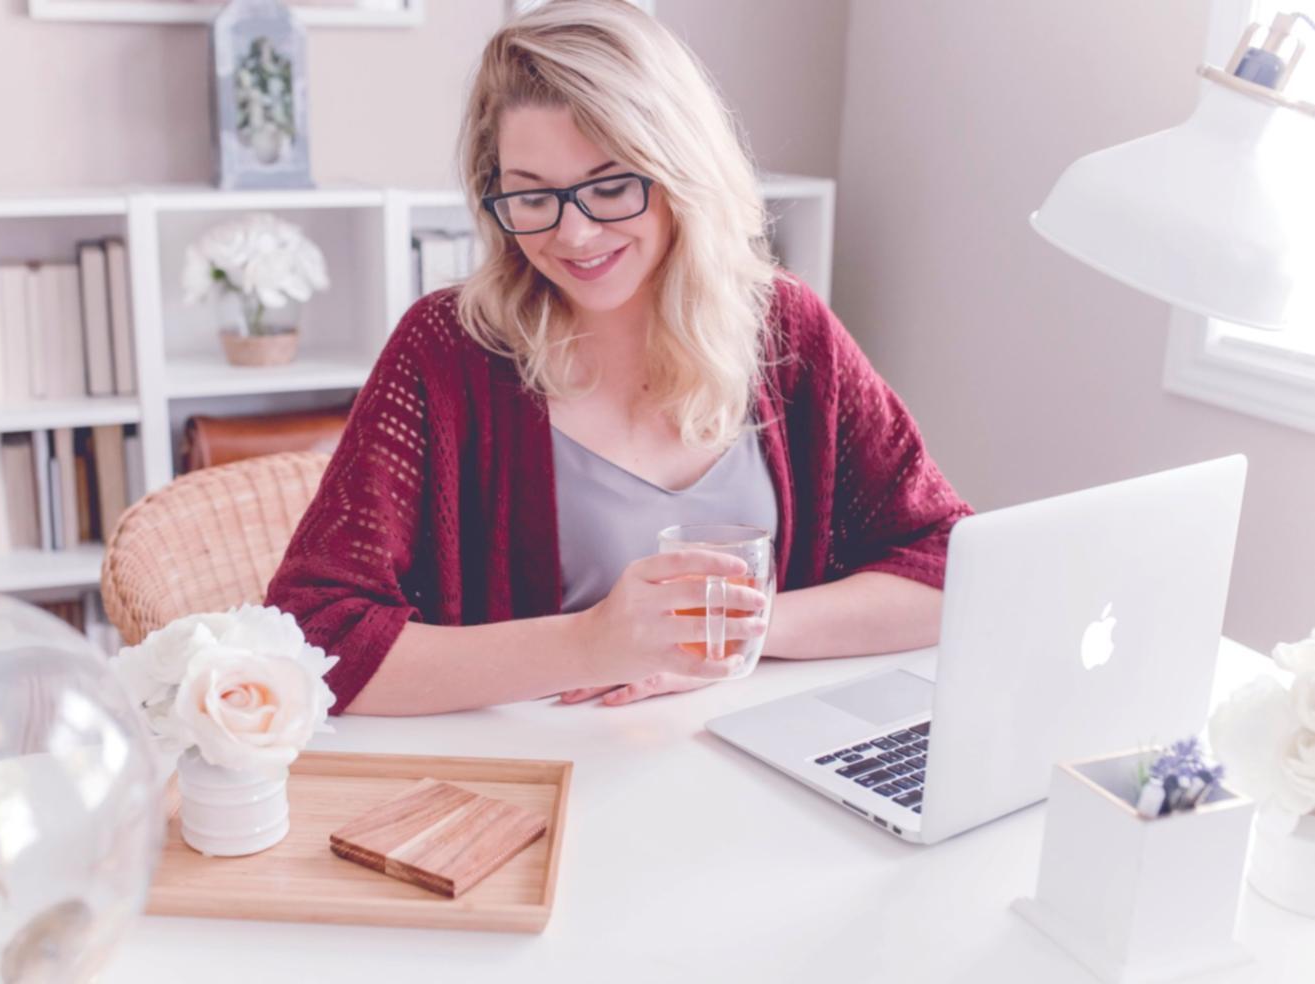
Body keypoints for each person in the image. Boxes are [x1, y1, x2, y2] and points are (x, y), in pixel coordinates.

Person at [265, 0, 972, 716]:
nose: (573, 233)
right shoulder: (447, 349)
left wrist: (728, 636)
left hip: (746, 767)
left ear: (682, 173)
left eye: (610, 187)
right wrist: (590, 643)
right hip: (533, 782)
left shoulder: (785, 330)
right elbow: (311, 636)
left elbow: (950, 567)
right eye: (531, 196)